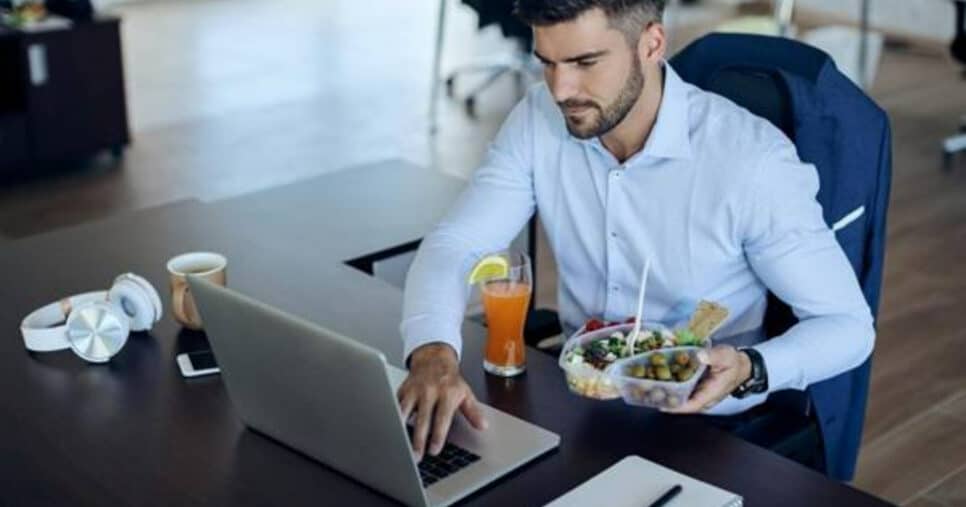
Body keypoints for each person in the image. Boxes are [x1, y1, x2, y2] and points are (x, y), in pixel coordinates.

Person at [397, 0, 875, 461]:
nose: (561, 89)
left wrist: (753, 369)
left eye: (585, 62)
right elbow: (457, 243)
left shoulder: (751, 162)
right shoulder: (538, 119)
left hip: (707, 424)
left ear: (651, 44)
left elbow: (848, 327)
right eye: (548, 62)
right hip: (584, 404)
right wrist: (433, 351)